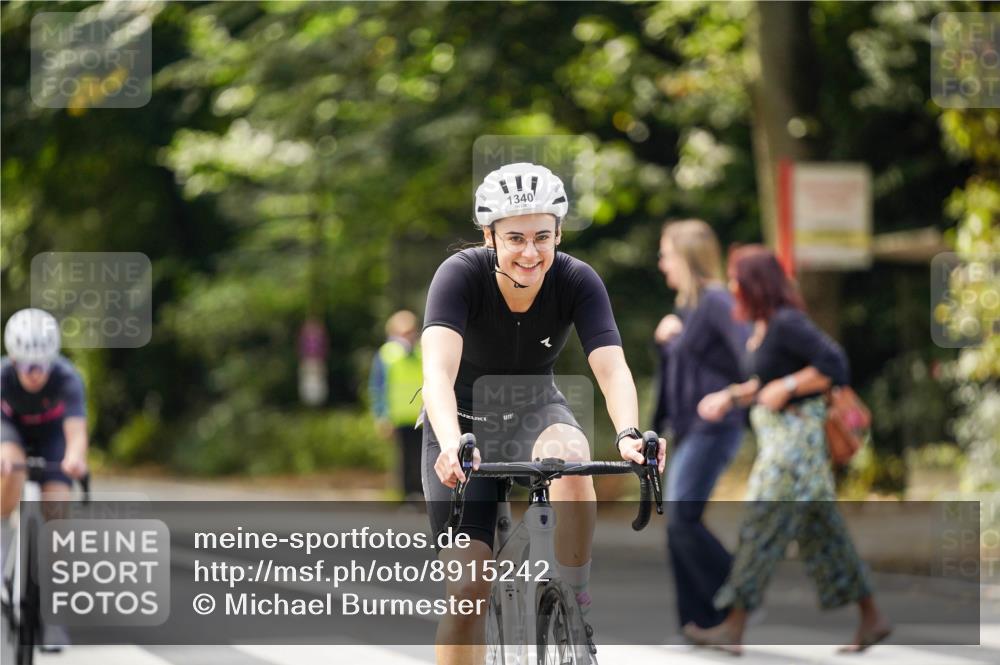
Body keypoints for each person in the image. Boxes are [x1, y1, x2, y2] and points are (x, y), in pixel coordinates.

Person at [421, 162, 665, 665]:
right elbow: (437, 375)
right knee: (468, 590)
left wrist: (628, 435)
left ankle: (573, 608)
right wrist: (449, 444)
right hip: (462, 424)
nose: (530, 253)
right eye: (514, 238)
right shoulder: (459, 275)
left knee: (571, 458)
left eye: (542, 237)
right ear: (489, 236)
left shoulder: (576, 279)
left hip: (535, 409)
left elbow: (613, 367)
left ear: (558, 233)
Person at [684, 245, 891, 654]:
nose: (731, 285)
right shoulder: (763, 327)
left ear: (754, 283)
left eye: (736, 277)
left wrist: (790, 386)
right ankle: (872, 617)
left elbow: (835, 362)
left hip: (793, 449)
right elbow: (766, 380)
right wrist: (729, 396)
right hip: (786, 446)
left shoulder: (787, 322)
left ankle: (733, 627)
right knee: (825, 535)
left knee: (759, 526)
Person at [652, 220, 749, 632]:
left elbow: (749, 354)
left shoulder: (714, 300)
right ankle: (700, 618)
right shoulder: (688, 308)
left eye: (666, 255)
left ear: (686, 256)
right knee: (677, 525)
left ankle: (741, 591)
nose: (661, 265)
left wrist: (731, 395)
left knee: (681, 518)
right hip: (688, 429)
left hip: (716, 427)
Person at [1, 308, 89, 652]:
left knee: (57, 511)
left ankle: (54, 617)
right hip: (11, 433)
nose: (34, 374)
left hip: (53, 437)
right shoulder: (2, 377)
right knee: (9, 468)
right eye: (26, 366)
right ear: (13, 359)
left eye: (42, 365)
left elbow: (76, 431)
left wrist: (75, 458)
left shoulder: (68, 378)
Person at [369, 310, 424, 500]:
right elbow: (377, 388)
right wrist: (381, 415)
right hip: (399, 417)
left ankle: (421, 494)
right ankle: (406, 495)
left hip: (422, 417)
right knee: (403, 460)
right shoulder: (387, 355)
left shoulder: (421, 352)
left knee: (422, 459)